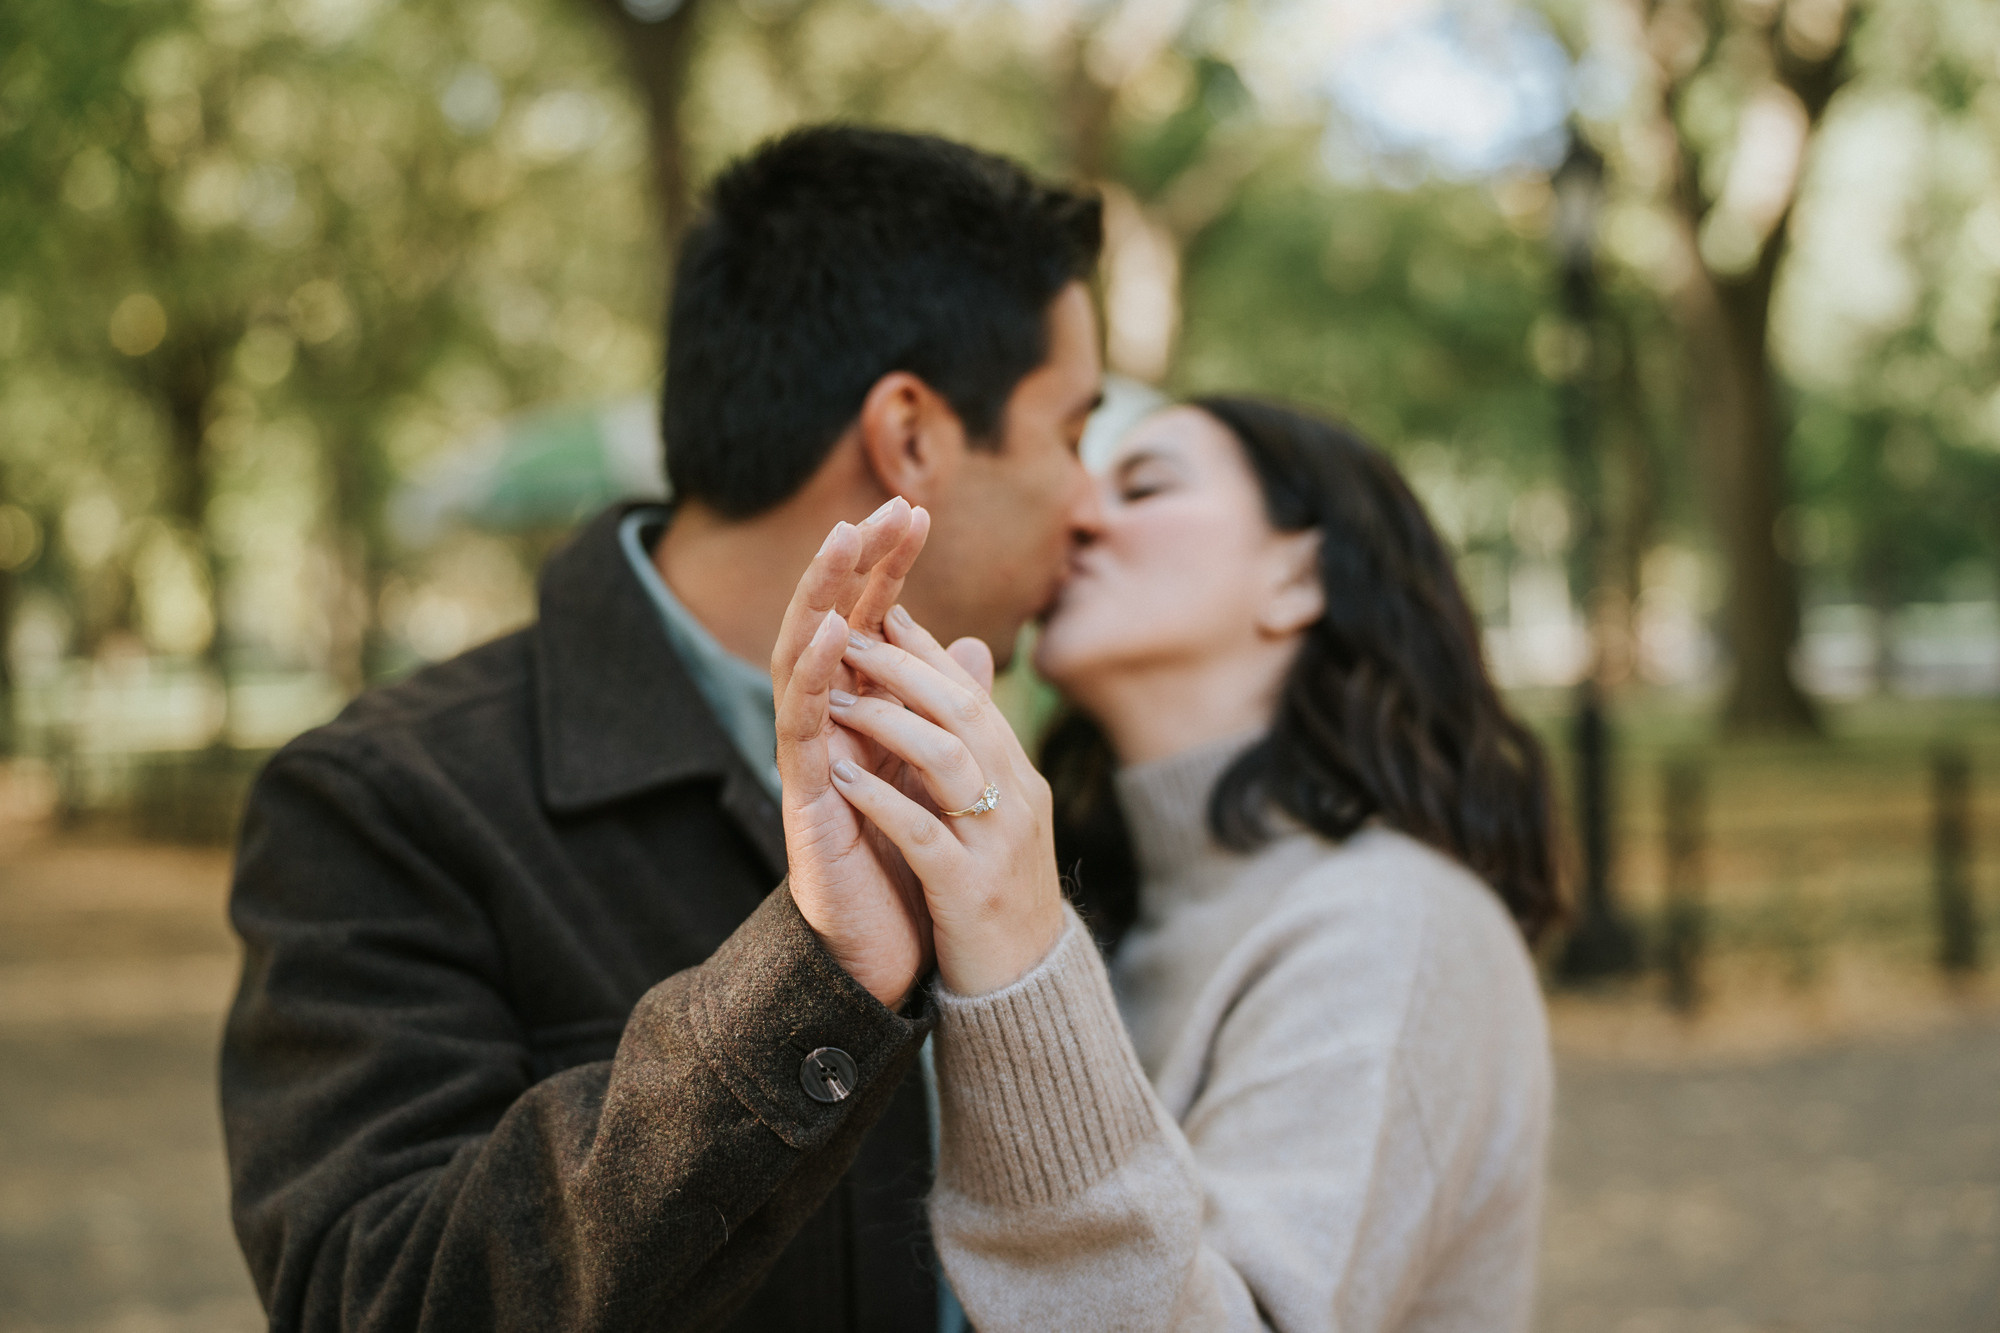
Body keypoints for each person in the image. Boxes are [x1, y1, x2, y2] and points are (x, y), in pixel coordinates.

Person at [219, 125, 1105, 1331]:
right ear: (911, 436)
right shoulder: (385, 801)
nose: (1093, 500)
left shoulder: (1025, 770)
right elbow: (374, 1296)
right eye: (1072, 433)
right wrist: (813, 975)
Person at [784, 397, 1561, 1331]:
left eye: (1144, 484)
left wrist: (1022, 956)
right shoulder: (1118, 908)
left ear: (1299, 577)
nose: (1078, 515)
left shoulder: (1399, 927)